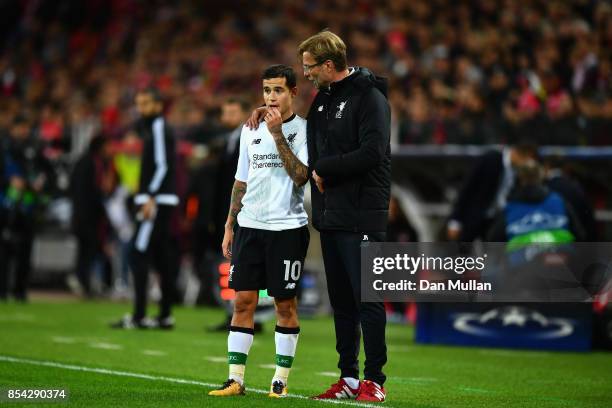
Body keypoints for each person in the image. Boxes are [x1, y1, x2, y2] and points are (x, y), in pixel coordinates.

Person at [208, 65, 309, 398]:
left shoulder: (304, 130)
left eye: (278, 90)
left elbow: (300, 176)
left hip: (287, 228)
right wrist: (229, 225)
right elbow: (241, 181)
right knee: (242, 302)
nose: (271, 97)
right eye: (267, 90)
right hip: (249, 226)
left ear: (293, 92)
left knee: (284, 305)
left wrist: (279, 134)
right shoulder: (249, 129)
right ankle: (235, 379)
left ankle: (279, 381)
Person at [112, 87, 178, 329]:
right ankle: (165, 315)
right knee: (161, 257)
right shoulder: (153, 128)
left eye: (146, 103)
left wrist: (150, 195)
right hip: (161, 199)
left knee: (137, 253)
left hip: (155, 200)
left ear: (158, 105)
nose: (141, 109)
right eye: (139, 104)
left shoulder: (159, 126)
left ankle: (139, 315)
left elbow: (162, 165)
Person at [0, 115, 54, 302]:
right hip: (6, 203)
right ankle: (2, 290)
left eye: (26, 128)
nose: (23, 131)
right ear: (13, 128)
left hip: (28, 204)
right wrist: (8, 181)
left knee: (25, 249)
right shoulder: (4, 147)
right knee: (4, 250)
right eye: (20, 127)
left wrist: (41, 184)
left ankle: (20, 291)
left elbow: (48, 172)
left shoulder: (35, 149)